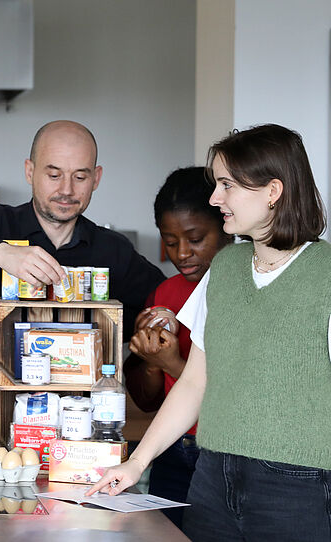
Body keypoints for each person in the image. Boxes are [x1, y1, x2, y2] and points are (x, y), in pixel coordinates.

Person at [89, 124, 331, 541]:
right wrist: (137, 462)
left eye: (226, 185)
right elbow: (194, 382)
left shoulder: (325, 274)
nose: (216, 198)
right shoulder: (224, 270)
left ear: (273, 191)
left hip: (297, 486)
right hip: (211, 479)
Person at [0, 120, 165, 442]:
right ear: (30, 171)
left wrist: (162, 317)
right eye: (54, 175)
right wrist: (1, 253)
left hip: (76, 435)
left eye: (80, 176)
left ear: (96, 178)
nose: (66, 189)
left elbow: (161, 298)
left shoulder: (112, 249)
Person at [122, 166, 231, 528]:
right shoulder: (163, 295)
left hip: (222, 453)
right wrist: (151, 360)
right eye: (170, 241)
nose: (182, 253)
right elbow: (147, 400)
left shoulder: (238, 291)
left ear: (226, 225)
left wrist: (170, 362)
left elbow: (230, 397)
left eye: (196, 238)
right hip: (170, 448)